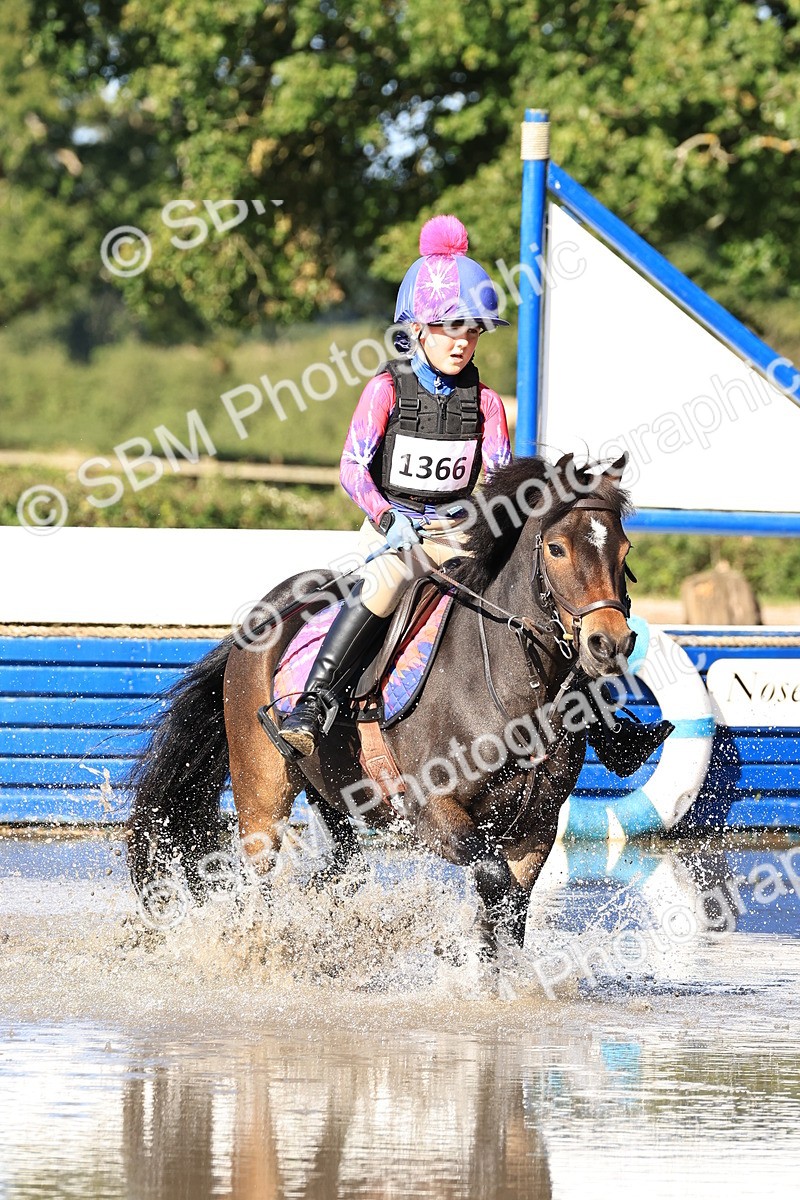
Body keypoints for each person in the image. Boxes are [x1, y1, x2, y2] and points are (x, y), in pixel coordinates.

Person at [274, 215, 672, 772]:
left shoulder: (485, 404)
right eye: (451, 327)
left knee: (538, 598)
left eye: (474, 329)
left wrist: (486, 525)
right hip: (394, 529)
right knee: (387, 581)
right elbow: (351, 468)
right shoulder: (385, 390)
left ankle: (607, 726)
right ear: (418, 329)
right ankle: (314, 703)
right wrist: (389, 518)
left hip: (460, 534)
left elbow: (498, 479)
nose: (463, 340)